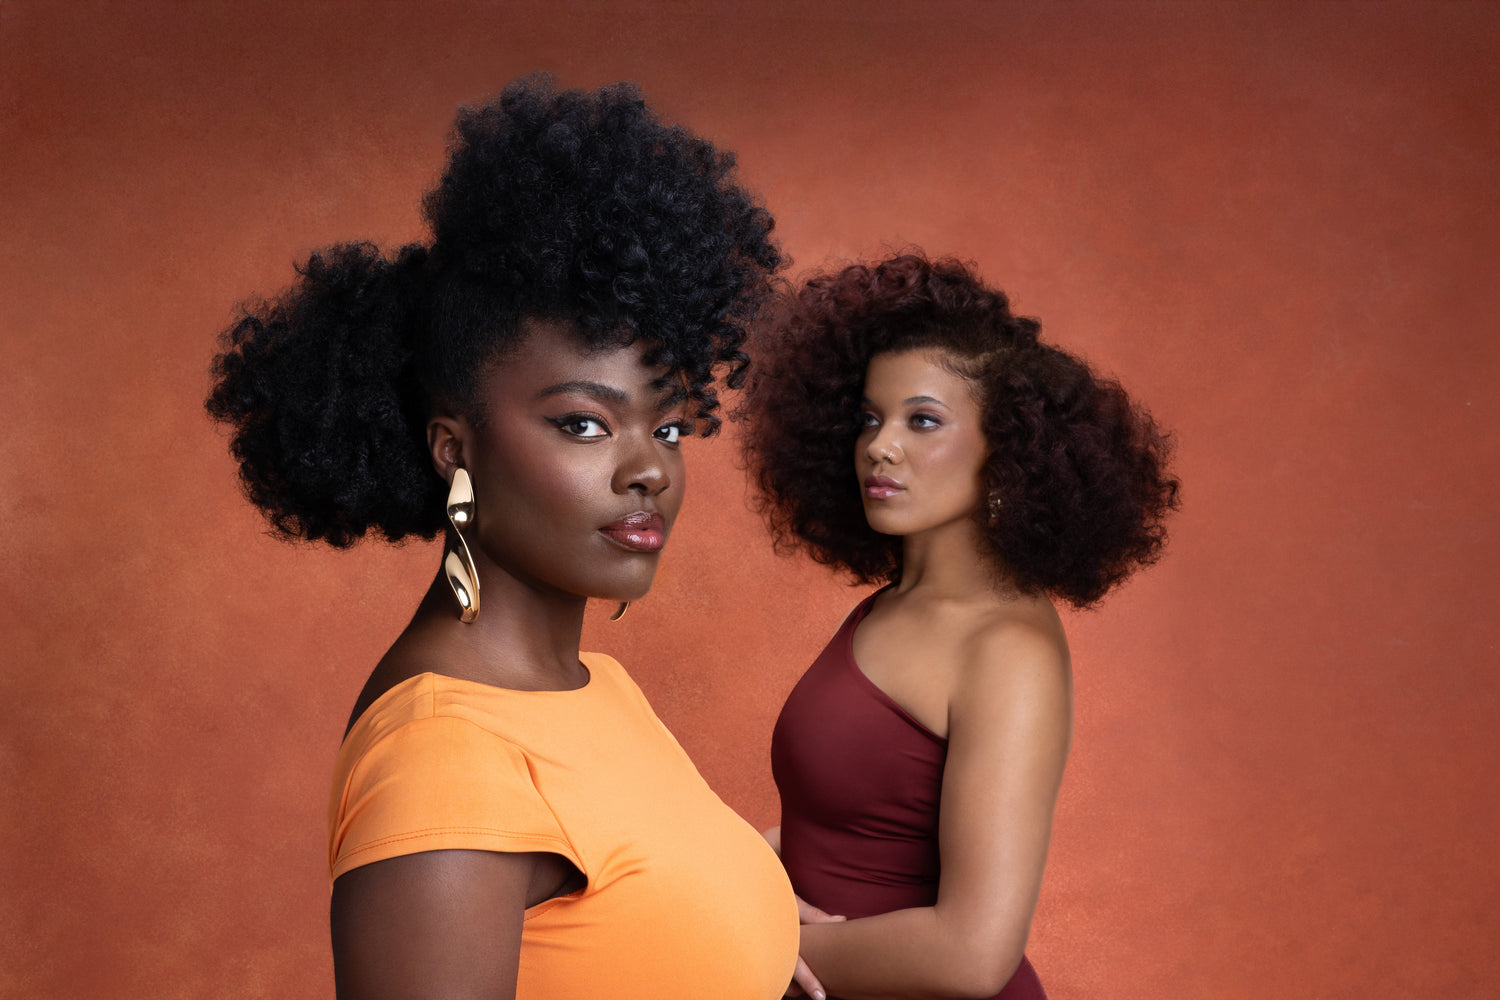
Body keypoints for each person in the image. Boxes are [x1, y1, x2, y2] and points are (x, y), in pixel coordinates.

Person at [206, 77, 797, 1000]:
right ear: (455, 447)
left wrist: (743, 920)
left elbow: (632, 912)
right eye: (584, 425)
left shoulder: (593, 687)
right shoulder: (446, 764)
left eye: (670, 427)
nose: (650, 469)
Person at [739, 253, 1180, 1000]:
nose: (882, 445)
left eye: (923, 420)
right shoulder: (890, 606)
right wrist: (723, 873)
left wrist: (752, 948)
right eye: (870, 419)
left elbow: (972, 954)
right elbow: (844, 830)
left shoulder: (1006, 648)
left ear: (1005, 454)